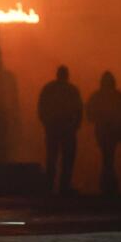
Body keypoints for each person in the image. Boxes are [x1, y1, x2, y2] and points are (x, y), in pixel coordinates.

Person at [37, 65, 84, 194]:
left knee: (52, 158)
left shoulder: (49, 89)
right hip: (66, 129)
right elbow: (79, 110)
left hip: (54, 128)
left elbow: (41, 108)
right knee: (66, 159)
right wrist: (76, 125)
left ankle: (49, 186)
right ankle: (63, 186)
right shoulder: (72, 90)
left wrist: (46, 124)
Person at [87, 71, 121, 195]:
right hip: (112, 131)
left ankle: (106, 183)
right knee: (109, 157)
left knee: (107, 157)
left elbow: (89, 113)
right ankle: (109, 183)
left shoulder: (98, 96)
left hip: (103, 131)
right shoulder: (118, 96)